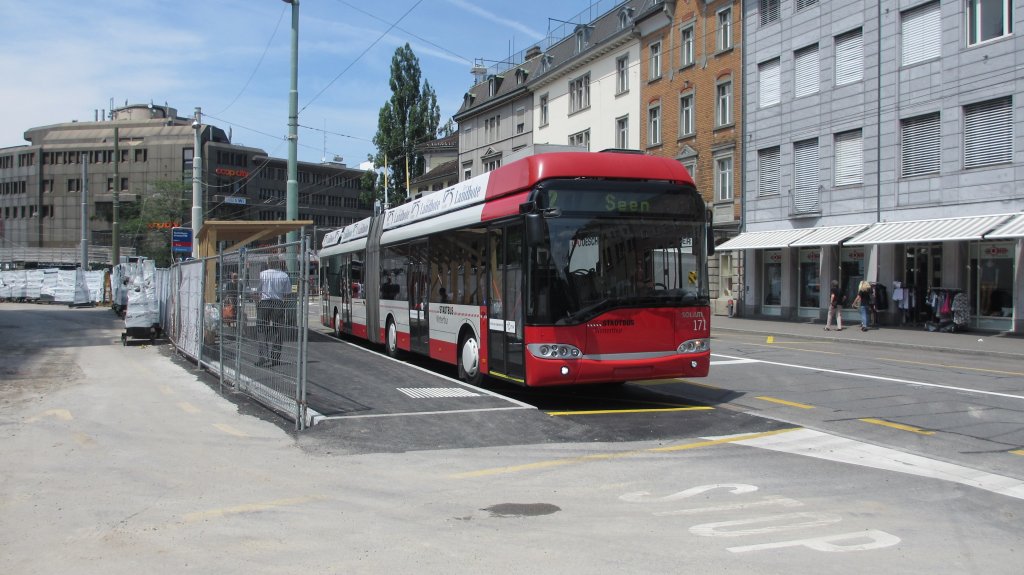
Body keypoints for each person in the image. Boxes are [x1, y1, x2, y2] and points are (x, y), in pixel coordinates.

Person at [257, 259, 291, 367]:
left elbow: (257, 291)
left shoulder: (262, 274)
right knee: (278, 331)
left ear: (268, 263)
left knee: (261, 329)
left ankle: (263, 357)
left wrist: (258, 302)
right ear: (278, 263)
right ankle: (275, 358)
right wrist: (283, 305)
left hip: (265, 302)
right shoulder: (284, 275)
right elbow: (287, 293)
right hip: (278, 303)